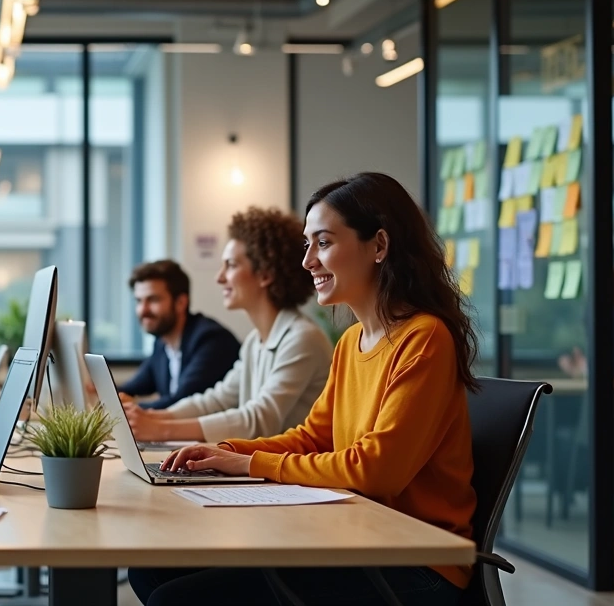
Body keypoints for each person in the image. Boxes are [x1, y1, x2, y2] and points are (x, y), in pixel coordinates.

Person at [130, 172, 479, 606]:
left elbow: (377, 470)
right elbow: (314, 437)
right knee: (149, 569)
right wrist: (227, 452)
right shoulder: (351, 342)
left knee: (176, 599)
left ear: (380, 246)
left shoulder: (424, 338)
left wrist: (248, 464)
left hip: (417, 561)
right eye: (307, 245)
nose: (308, 261)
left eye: (324, 243)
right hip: (356, 536)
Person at [122, 207, 332, 444]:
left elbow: (258, 419)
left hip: (293, 475)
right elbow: (217, 399)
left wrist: (161, 429)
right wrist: (152, 417)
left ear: (265, 274)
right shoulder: (256, 341)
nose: (220, 277)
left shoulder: (302, 338)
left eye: (231, 265)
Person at [119, 259, 242, 409]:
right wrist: (99, 390)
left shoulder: (211, 340)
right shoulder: (162, 342)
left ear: (181, 303)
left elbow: (182, 403)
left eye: (153, 300)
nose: (142, 310)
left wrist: (128, 409)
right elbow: (134, 386)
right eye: (138, 301)